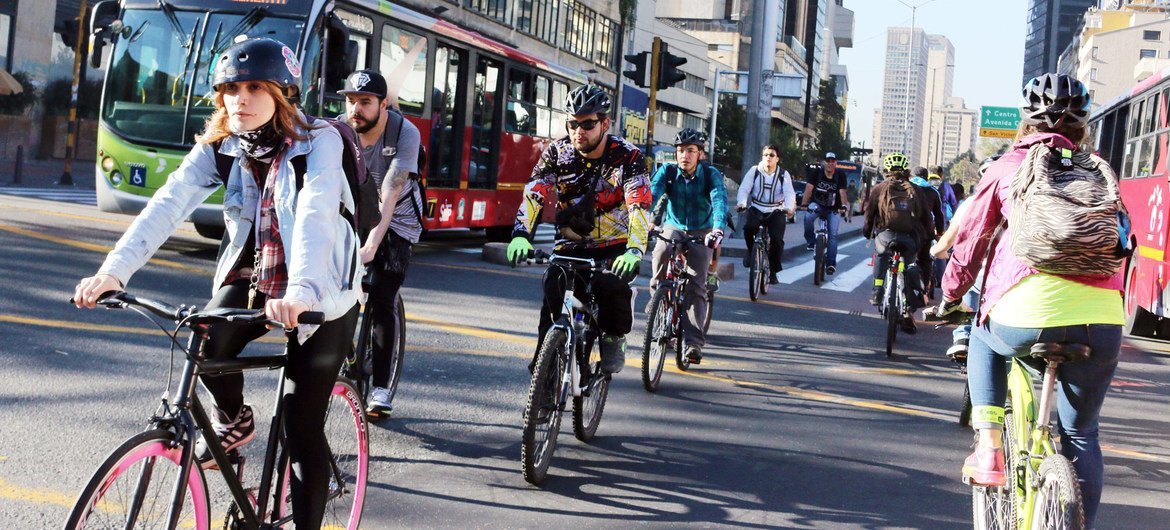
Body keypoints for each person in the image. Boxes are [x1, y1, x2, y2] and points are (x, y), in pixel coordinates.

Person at [72, 38, 361, 528]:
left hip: (323, 293)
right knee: (202, 339)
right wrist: (113, 271)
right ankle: (234, 422)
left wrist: (303, 293)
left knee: (300, 424)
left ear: (282, 94)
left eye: (254, 88)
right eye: (230, 88)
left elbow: (315, 216)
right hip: (256, 277)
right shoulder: (222, 144)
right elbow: (167, 204)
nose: (239, 100)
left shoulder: (320, 142)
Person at [940, 73, 1121, 529]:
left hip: (1025, 316)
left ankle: (989, 449)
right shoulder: (1099, 172)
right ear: (1082, 127)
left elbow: (973, 240)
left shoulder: (1007, 166)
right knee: (1082, 434)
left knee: (981, 330)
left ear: (1027, 123)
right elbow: (1123, 243)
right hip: (1102, 320)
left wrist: (950, 295)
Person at [506, 85, 651, 375]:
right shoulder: (557, 153)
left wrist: (635, 249)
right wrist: (520, 234)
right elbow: (535, 193)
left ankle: (614, 336)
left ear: (605, 123)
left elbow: (639, 207)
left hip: (615, 246)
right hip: (570, 246)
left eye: (587, 124)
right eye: (572, 123)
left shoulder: (628, 157)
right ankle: (543, 385)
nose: (578, 131)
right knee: (550, 310)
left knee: (612, 288)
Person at [340, 69, 423, 417]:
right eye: (351, 101)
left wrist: (371, 246)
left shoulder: (405, 132)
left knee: (382, 296)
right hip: (356, 210)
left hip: (399, 218)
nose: (356, 109)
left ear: (383, 104)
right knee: (334, 288)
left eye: (365, 102)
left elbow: (389, 193)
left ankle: (380, 389)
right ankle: (345, 354)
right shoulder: (339, 130)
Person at [649, 128, 727, 364]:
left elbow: (719, 201)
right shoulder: (668, 171)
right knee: (661, 251)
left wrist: (717, 229)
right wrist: (642, 219)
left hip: (702, 230)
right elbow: (651, 194)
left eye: (690, 151)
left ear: (700, 154)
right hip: (674, 225)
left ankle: (693, 343)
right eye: (681, 151)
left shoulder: (710, 175)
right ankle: (658, 304)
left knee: (696, 283)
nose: (685, 155)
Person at [864, 152, 933, 333]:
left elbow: (869, 215)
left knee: (881, 256)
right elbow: (926, 216)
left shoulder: (879, 188)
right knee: (909, 265)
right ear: (906, 170)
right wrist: (929, 236)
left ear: (887, 170)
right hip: (909, 239)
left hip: (885, 237)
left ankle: (877, 291)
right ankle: (908, 308)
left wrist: (867, 233)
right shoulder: (915, 190)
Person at [737, 144, 796, 285]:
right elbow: (744, 188)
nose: (768, 157)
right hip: (757, 207)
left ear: (777, 159)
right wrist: (742, 203)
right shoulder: (754, 171)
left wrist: (789, 208)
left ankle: (773, 271)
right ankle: (751, 253)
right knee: (748, 229)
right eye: (765, 155)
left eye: (772, 155)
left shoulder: (783, 174)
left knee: (776, 239)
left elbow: (789, 193)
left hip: (776, 210)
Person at [801, 152, 849, 275]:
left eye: (833, 161)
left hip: (834, 208)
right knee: (808, 218)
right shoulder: (817, 173)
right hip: (817, 205)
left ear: (836, 163)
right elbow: (808, 189)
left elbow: (842, 192)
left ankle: (831, 263)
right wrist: (804, 204)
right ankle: (811, 242)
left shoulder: (840, 175)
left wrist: (843, 206)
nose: (830, 163)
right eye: (828, 160)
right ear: (824, 162)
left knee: (833, 234)